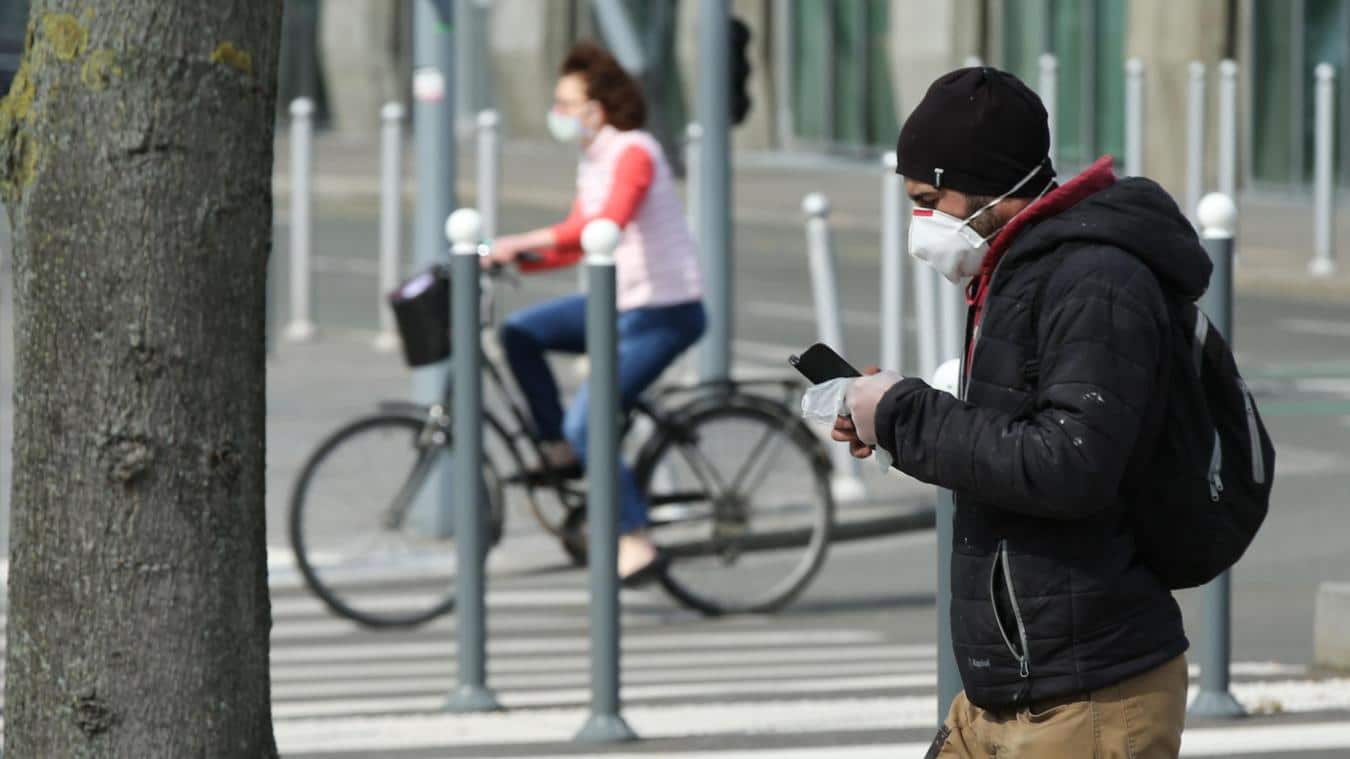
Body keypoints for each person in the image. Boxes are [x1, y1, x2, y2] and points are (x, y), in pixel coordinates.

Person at [832, 67, 1209, 758]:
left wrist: (910, 415)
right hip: (1010, 686)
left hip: (1086, 695)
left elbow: (1068, 462)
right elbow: (1016, 438)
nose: (922, 221)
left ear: (987, 182)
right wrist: (889, 420)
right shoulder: (1019, 268)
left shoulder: (1096, 278)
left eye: (929, 198)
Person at [485, 43, 704, 586]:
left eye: (566, 103)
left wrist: (522, 239)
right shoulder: (595, 159)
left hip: (663, 310)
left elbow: (608, 221)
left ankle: (634, 539)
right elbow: (578, 241)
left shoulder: (634, 152)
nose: (557, 113)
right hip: (619, 302)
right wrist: (511, 258)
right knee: (520, 333)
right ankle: (557, 445)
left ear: (596, 108)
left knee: (590, 423)